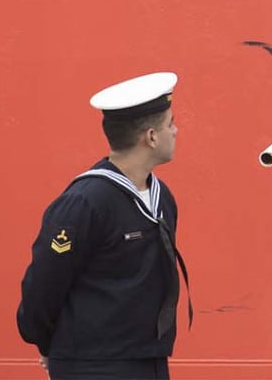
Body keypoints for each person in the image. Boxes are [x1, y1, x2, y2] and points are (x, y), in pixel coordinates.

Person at [18, 72, 190, 380]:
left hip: (148, 359)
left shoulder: (161, 197)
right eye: (170, 124)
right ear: (151, 137)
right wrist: (51, 345)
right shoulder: (86, 202)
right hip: (93, 365)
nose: (176, 131)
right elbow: (44, 286)